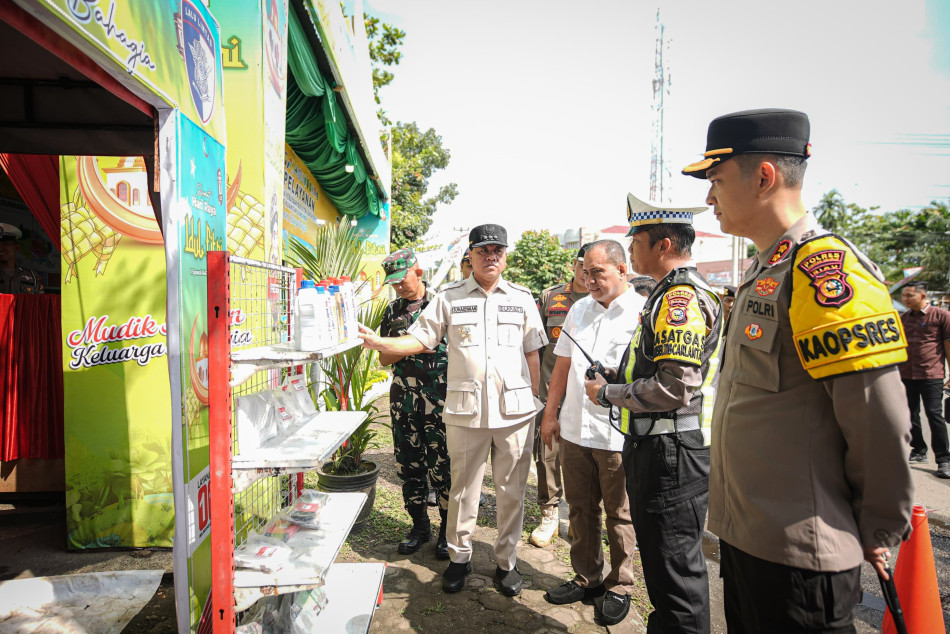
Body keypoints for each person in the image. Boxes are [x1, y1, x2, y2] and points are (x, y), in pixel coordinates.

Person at [683, 108, 914, 632]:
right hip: (751, 540)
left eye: (717, 181)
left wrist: (878, 529)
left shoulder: (822, 270)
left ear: (763, 177)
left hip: (799, 557)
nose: (709, 198)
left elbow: (879, 420)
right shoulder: (767, 268)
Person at [359, 224, 546, 597]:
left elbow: (532, 352)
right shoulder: (449, 297)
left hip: (514, 413)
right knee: (462, 489)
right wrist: (379, 341)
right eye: (482, 250)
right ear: (472, 256)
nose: (490, 256)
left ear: (505, 256)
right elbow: (421, 338)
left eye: (497, 250)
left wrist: (535, 405)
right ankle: (460, 558)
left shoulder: (522, 298)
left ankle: (506, 563)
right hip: (465, 412)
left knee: (511, 491)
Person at [585, 192, 720, 634]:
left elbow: (674, 385)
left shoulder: (678, 299)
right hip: (665, 446)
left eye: (636, 239)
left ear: (663, 245)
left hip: (670, 451)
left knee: (674, 570)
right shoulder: (668, 294)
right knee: (666, 566)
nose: (632, 248)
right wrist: (616, 375)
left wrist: (610, 394)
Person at [540, 240, 642, 625]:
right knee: (580, 509)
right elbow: (561, 368)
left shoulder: (642, 312)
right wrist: (550, 417)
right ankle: (588, 579)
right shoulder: (578, 309)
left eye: (598, 271)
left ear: (622, 270)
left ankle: (620, 585)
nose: (590, 279)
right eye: (586, 271)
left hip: (616, 434)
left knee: (619, 514)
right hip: (573, 428)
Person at [378, 248, 452, 559]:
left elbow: (448, 350)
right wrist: (417, 346)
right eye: (393, 283)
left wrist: (405, 346)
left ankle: (448, 532)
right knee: (409, 465)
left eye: (402, 279)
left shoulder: (442, 304)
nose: (398, 287)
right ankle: (420, 527)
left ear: (417, 272)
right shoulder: (392, 311)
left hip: (439, 401)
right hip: (403, 403)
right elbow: (383, 356)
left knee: (443, 468)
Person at [528, 243, 589, 548]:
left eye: (592, 266)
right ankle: (549, 514)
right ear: (573, 265)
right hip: (550, 391)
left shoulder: (604, 298)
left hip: (588, 397)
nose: (586, 271)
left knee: (584, 458)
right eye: (581, 264)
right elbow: (534, 345)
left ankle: (581, 517)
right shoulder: (552, 297)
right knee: (546, 455)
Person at [899, 281, 950, 478]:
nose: (905, 299)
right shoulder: (902, 318)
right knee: (910, 414)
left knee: (934, 414)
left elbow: (948, 346)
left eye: (909, 295)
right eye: (904, 296)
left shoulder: (941, 316)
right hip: (906, 373)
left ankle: (944, 460)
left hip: (932, 374)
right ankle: (919, 450)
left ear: (922, 296)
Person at [0, 223, 43, 294]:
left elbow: (40, 302)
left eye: (6, 243)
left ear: (17, 248)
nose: (0, 248)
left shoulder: (32, 276)